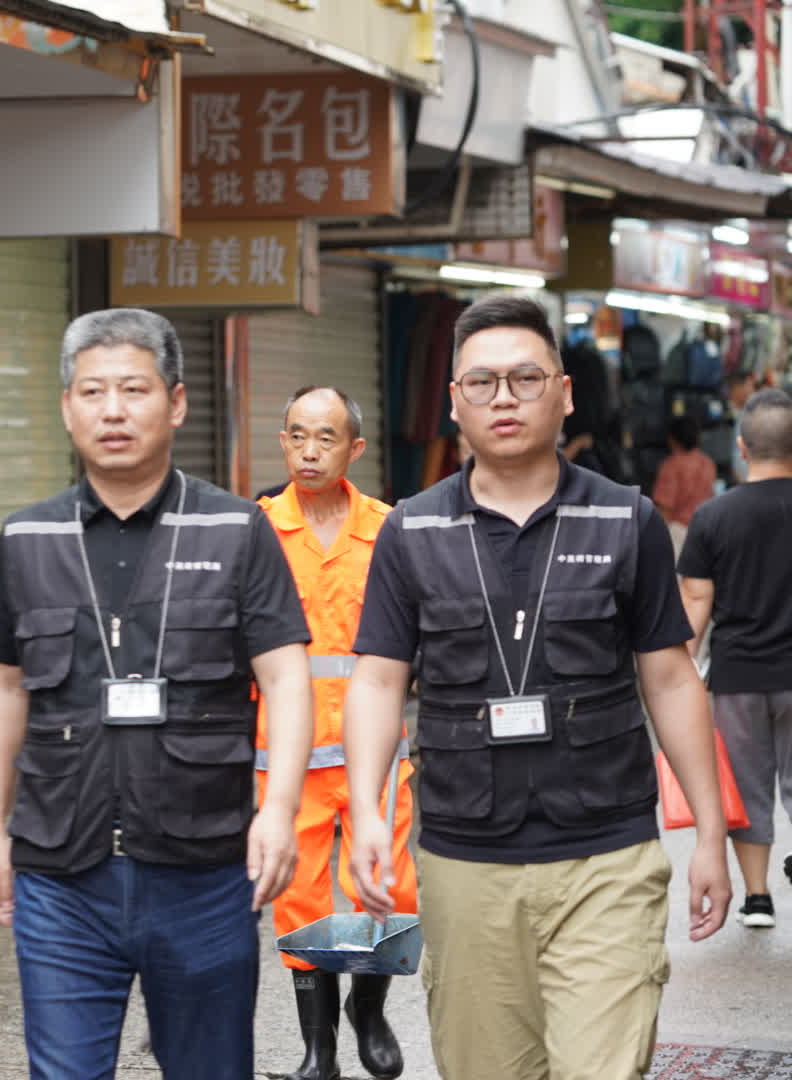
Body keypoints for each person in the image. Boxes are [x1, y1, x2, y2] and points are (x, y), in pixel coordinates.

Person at [343, 295, 731, 1080]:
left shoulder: (627, 521)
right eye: (481, 383)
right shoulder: (411, 531)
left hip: (608, 855)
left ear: (565, 391)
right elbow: (380, 680)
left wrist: (713, 834)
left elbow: (670, 678)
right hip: (464, 859)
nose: (505, 398)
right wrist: (366, 808)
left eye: (525, 377)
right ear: (453, 402)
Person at [0, 307, 315, 1080]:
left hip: (202, 868)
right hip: (62, 874)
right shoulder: (28, 538)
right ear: (66, 408)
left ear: (177, 403)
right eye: (92, 392)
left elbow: (285, 674)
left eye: (133, 389)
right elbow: (1, 683)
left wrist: (280, 809)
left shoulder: (235, 529)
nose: (113, 410)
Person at [256, 386, 416, 1080]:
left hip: (374, 751)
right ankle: (317, 1049)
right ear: (282, 441)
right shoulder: (254, 528)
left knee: (395, 889)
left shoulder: (390, 529)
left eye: (325, 438)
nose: (309, 450)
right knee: (299, 899)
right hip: (283, 753)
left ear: (354, 449)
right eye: (297, 436)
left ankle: (368, 1009)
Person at [678, 388, 792, 929]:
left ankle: (758, 897)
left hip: (739, 675)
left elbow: (696, 605)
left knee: (748, 785)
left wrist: (676, 675)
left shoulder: (714, 517)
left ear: (742, 448)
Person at [651, 416, 717, 556]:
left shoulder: (672, 465)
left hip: (678, 533)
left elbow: (665, 508)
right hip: (704, 532)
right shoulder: (708, 463)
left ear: (672, 439)